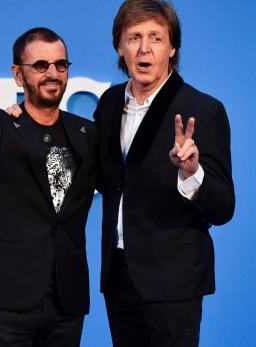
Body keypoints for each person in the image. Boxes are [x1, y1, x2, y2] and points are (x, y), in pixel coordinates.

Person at [0, 27, 98, 346]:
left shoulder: (87, 133)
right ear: (18, 75)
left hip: (67, 300)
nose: (52, 73)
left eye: (60, 65)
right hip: (7, 297)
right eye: (40, 66)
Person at [94, 1, 235, 346]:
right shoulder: (109, 103)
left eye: (156, 38)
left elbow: (224, 207)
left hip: (174, 282)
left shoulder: (203, 109)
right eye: (134, 37)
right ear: (120, 47)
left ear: (172, 48)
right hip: (119, 276)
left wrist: (192, 172)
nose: (145, 49)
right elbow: (101, 176)